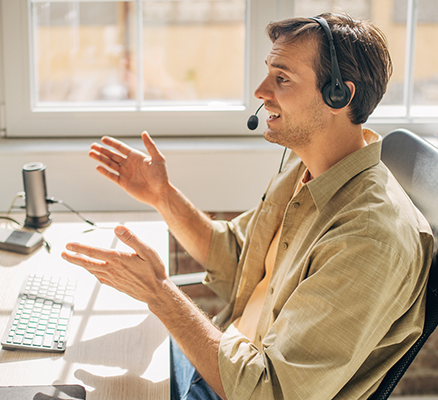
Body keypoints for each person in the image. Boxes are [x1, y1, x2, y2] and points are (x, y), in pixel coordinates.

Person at [61, 13, 433, 400]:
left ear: (339, 95)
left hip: (235, 387)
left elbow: (269, 391)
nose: (260, 90)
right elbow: (237, 258)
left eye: (282, 78)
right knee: (71, 366)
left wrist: (160, 294)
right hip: (221, 357)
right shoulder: (305, 169)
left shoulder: (369, 238)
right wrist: (162, 196)